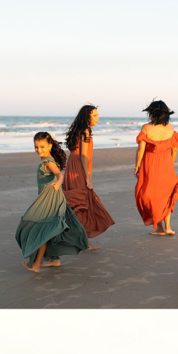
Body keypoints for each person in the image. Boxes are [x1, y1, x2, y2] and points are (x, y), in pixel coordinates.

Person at [16, 132, 88, 272]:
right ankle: (55, 259)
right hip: (48, 198)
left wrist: (58, 183)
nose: (39, 150)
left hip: (50, 198)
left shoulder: (48, 161)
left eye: (42, 147)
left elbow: (59, 174)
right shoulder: (48, 159)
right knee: (50, 228)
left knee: (43, 228)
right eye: (36, 147)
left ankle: (36, 265)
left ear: (49, 145)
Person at [63, 104, 114, 248]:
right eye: (95, 115)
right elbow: (84, 156)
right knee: (82, 203)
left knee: (77, 203)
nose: (98, 118)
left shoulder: (78, 130)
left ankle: (80, 239)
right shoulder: (85, 131)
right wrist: (88, 177)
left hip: (72, 167)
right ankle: (82, 241)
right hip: (79, 168)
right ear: (87, 117)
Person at [134, 100, 178, 235]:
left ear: (152, 113)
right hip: (166, 163)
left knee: (149, 195)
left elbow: (140, 150)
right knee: (166, 194)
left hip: (149, 164)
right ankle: (165, 227)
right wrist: (168, 164)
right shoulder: (170, 128)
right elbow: (175, 150)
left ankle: (160, 226)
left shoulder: (146, 128)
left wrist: (136, 166)